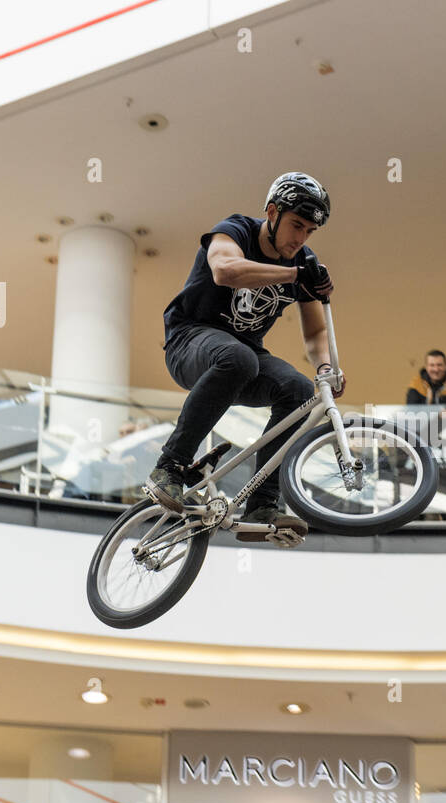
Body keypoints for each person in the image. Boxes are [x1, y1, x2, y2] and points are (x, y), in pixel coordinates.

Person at [146, 172, 338, 543]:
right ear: (271, 212)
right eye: (296, 225)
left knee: (299, 392)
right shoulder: (235, 231)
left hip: (243, 354)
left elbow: (315, 332)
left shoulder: (303, 261)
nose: (300, 238)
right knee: (239, 358)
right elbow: (224, 271)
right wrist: (295, 276)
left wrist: (326, 368)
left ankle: (262, 503)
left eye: (309, 231)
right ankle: (168, 467)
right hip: (190, 342)